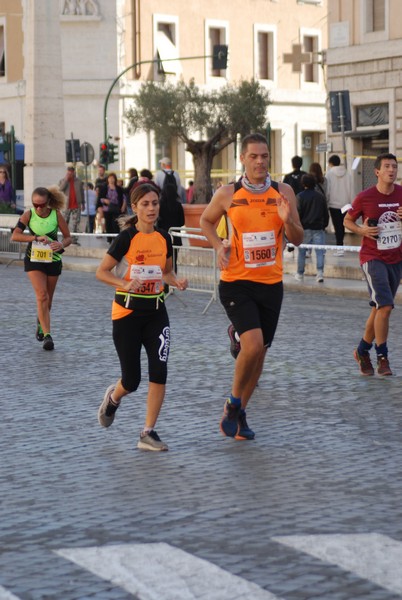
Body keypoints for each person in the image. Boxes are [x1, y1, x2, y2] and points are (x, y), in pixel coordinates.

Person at [200, 133, 303, 441]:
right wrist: (219, 245)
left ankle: (240, 414)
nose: (260, 161)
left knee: (260, 355)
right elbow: (206, 221)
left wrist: (287, 221)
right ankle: (232, 403)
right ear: (242, 159)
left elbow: (297, 238)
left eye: (265, 156)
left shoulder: (283, 192)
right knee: (254, 345)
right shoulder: (228, 193)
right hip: (236, 281)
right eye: (254, 156)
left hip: (271, 284)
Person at [96, 183, 188, 451]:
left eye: (155, 203)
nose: (151, 208)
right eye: (145, 204)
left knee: (159, 371)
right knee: (132, 380)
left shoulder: (164, 238)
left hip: (156, 313)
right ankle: (113, 398)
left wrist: (177, 281)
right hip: (127, 314)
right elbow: (102, 272)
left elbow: (166, 272)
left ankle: (147, 432)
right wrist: (124, 284)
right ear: (134, 207)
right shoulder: (126, 238)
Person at [344, 152, 402, 377]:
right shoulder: (365, 197)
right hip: (372, 257)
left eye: (394, 167)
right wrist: (362, 230)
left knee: (379, 308)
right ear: (377, 171)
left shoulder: (401, 194)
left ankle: (361, 351)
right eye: (387, 166)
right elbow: (347, 220)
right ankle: (382, 356)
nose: (391, 170)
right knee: (386, 306)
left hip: (396, 258)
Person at [10, 186, 72, 350]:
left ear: (48, 202)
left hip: (53, 259)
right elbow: (15, 235)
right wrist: (35, 237)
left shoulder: (56, 215)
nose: (38, 208)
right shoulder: (28, 215)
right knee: (42, 296)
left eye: (41, 205)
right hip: (34, 259)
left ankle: (40, 323)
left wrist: (60, 244)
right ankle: (48, 336)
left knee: (48, 301)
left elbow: (68, 238)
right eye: (35, 204)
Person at [295, 174, 329, 283]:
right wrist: (324, 225)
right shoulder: (320, 196)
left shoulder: (300, 196)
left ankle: (300, 273)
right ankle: (319, 273)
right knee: (320, 252)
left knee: (301, 252)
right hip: (318, 227)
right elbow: (325, 212)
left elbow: (297, 213)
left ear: (303, 183)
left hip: (304, 228)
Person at [325, 154, 352, 256]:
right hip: (345, 204)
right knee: (343, 226)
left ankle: (339, 248)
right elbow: (351, 189)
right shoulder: (347, 174)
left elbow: (328, 190)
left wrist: (327, 202)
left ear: (331, 163)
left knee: (337, 227)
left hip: (333, 204)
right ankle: (341, 246)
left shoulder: (329, 174)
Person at [157, 181, 185, 273]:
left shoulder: (160, 205)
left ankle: (164, 284)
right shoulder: (178, 205)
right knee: (174, 261)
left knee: (162, 261)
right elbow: (182, 222)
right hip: (176, 236)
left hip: (162, 236)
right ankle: (172, 283)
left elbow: (158, 221)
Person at [96, 172, 125, 241]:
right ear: (108, 179)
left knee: (115, 224)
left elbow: (123, 198)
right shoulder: (104, 188)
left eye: (113, 178)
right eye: (110, 178)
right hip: (107, 209)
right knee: (108, 223)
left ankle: (116, 238)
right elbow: (100, 198)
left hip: (116, 208)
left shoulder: (119, 189)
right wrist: (105, 201)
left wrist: (123, 206)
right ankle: (109, 239)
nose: (111, 180)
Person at [58, 166, 84, 243]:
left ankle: (74, 239)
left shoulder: (79, 181)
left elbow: (82, 193)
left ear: (74, 172)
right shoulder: (62, 180)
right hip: (66, 206)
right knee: (65, 223)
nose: (70, 173)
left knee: (76, 223)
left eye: (72, 172)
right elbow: (60, 189)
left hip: (76, 205)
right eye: (69, 172)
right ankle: (65, 238)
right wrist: (66, 180)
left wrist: (83, 203)